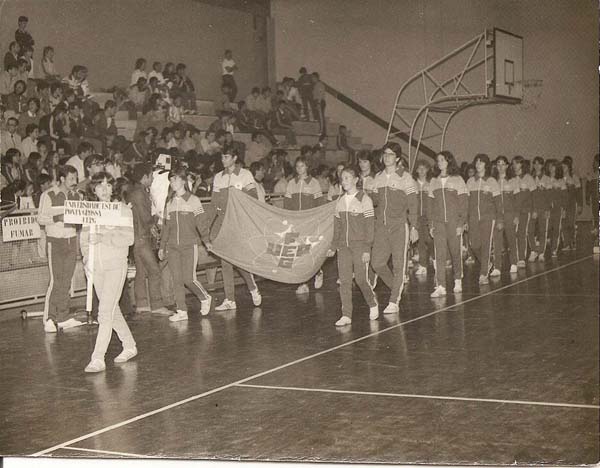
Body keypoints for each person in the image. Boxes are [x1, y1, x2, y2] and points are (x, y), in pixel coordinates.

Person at [80, 172, 137, 372]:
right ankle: (129, 345)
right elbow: (84, 239)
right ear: (93, 189)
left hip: (115, 265)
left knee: (104, 312)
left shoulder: (122, 210)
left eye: (107, 185)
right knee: (112, 310)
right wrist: (87, 260)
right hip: (97, 267)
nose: (104, 189)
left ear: (113, 188)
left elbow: (129, 239)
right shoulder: (90, 211)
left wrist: (104, 236)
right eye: (100, 185)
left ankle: (98, 358)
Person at [209, 149, 263, 310]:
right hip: (223, 224)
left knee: (238, 260)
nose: (223, 159)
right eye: (221, 157)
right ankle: (230, 299)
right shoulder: (218, 177)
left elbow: (253, 198)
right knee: (225, 261)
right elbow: (214, 203)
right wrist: (209, 225)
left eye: (226, 156)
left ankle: (253, 288)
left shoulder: (245, 175)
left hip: (239, 224)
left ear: (235, 157)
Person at [158, 167, 213, 321]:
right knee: (176, 279)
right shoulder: (169, 202)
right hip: (172, 247)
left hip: (189, 245)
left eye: (174, 178)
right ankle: (181, 311)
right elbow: (166, 227)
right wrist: (162, 246)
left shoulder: (193, 200)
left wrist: (206, 240)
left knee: (188, 279)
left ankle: (205, 297)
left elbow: (201, 223)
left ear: (183, 180)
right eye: (170, 179)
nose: (171, 182)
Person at [326, 166, 378, 326]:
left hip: (359, 246)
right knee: (345, 281)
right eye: (342, 179)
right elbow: (338, 228)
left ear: (356, 180)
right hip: (344, 247)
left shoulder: (365, 199)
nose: (344, 181)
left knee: (361, 279)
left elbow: (370, 227)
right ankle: (346, 314)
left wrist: (366, 249)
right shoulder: (340, 201)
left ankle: (372, 303)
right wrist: (333, 246)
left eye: (347, 178)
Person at [370, 143, 418, 313]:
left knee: (399, 265)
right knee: (376, 263)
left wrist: (414, 227)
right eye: (385, 154)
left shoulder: (405, 177)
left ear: (397, 158)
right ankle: (396, 288)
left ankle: (394, 302)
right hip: (381, 227)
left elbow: (413, 203)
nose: (387, 157)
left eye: (391, 155)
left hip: (399, 226)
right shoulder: (378, 176)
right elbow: (374, 201)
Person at [37, 164, 85, 332]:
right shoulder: (48, 194)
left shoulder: (77, 196)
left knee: (67, 280)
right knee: (56, 281)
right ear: (62, 179)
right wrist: (58, 217)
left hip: (71, 240)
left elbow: (81, 219)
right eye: (71, 179)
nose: (74, 182)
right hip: (55, 241)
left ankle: (63, 316)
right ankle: (49, 318)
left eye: (76, 178)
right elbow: (41, 219)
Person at [128, 163, 172, 315]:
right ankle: (157, 305)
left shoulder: (137, 191)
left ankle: (141, 303)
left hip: (138, 238)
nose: (153, 178)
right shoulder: (139, 194)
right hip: (142, 238)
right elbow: (146, 217)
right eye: (151, 176)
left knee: (141, 271)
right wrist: (157, 219)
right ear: (144, 177)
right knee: (154, 271)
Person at [427, 150, 469, 297]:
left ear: (449, 162)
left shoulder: (458, 180)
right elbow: (430, 206)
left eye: (443, 160)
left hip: (453, 222)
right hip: (438, 223)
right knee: (439, 254)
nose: (440, 163)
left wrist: (461, 223)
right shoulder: (433, 181)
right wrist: (430, 224)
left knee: (455, 252)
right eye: (438, 160)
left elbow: (464, 204)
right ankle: (441, 286)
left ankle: (458, 279)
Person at [284, 156, 325, 294]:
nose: (299, 169)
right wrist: (289, 220)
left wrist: (317, 220)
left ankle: (318, 272)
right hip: (296, 223)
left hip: (310, 223)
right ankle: (303, 283)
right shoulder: (291, 183)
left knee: (310, 251)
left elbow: (319, 203)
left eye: (302, 166)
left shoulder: (314, 183)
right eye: (297, 166)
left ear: (307, 167)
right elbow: (287, 204)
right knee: (299, 253)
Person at [466, 153, 501, 285]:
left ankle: (483, 273)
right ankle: (488, 263)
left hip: (488, 218)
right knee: (473, 245)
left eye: (481, 162)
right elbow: (466, 202)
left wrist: (500, 220)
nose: (478, 165)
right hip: (473, 218)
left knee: (486, 245)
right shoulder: (470, 181)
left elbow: (498, 203)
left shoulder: (492, 181)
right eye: (476, 162)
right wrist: (465, 219)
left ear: (486, 165)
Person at [492, 155, 519, 275]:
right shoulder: (492, 181)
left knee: (511, 239)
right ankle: (497, 267)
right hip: (497, 215)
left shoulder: (513, 181)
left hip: (509, 214)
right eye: (498, 164)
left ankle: (514, 263)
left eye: (503, 164)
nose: (500, 167)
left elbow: (517, 200)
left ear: (507, 166)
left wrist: (516, 215)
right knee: (497, 241)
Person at [512, 155, 537, 266]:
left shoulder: (528, 178)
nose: (515, 165)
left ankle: (521, 258)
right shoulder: (511, 178)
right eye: (513, 163)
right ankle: (534, 250)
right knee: (519, 233)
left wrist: (535, 210)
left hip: (526, 211)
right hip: (515, 211)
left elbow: (534, 195)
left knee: (522, 232)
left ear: (522, 164)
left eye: (517, 163)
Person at [413, 159, 433, 275]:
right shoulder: (412, 184)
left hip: (428, 216)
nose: (421, 170)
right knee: (420, 241)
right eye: (419, 168)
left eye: (424, 168)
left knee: (429, 240)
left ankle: (434, 257)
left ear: (427, 170)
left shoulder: (431, 184)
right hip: (417, 217)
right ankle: (422, 265)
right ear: (416, 170)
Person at [561, 156, 582, 251]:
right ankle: (566, 244)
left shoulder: (574, 178)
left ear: (569, 167)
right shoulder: (560, 178)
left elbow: (578, 193)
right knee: (563, 224)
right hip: (563, 205)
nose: (563, 169)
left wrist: (580, 205)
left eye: (564, 167)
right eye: (562, 167)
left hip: (572, 204)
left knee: (571, 224)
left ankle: (572, 242)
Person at [586, 154, 599, 253]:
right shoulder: (592, 175)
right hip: (595, 199)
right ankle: (596, 230)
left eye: (596, 161)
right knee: (596, 215)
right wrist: (587, 197)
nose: (594, 163)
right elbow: (588, 188)